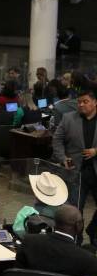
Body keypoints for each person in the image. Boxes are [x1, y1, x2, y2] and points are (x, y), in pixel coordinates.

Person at [53, 90, 97, 243]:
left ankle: (93, 230)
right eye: (79, 102)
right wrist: (63, 158)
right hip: (76, 172)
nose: (81, 104)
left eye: (85, 101)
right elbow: (57, 140)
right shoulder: (68, 118)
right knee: (75, 211)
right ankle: (75, 241)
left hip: (95, 171)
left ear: (94, 102)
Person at [17, 205, 97, 276]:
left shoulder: (29, 242)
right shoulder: (87, 259)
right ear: (78, 225)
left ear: (54, 222)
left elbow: (18, 273)